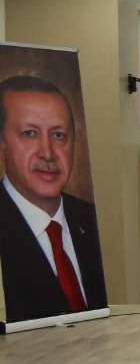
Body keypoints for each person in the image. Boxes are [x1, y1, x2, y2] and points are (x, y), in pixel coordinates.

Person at [0, 74, 108, 320]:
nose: (48, 153)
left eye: (59, 135)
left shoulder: (90, 218)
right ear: (2, 146)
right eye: (29, 133)